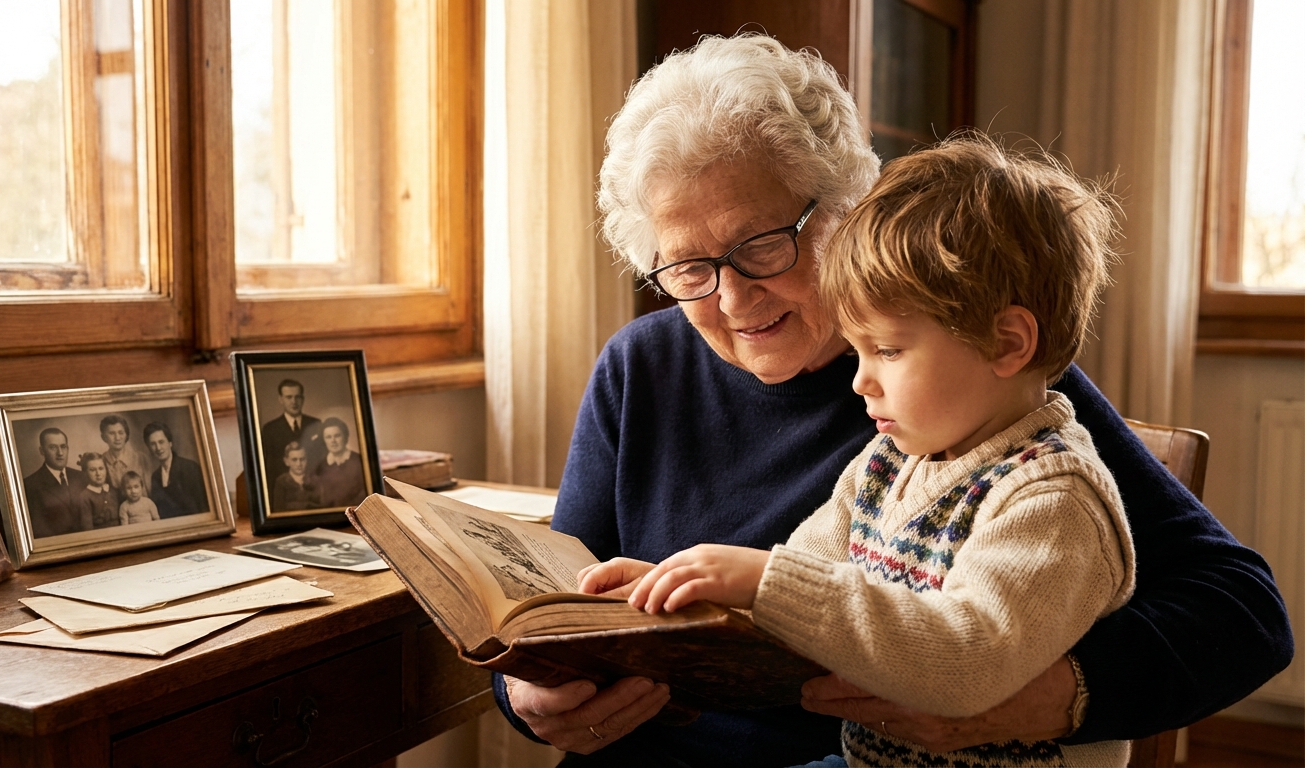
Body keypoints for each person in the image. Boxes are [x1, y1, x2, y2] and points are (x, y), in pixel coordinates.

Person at [493, 35, 1293, 767]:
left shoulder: (975, 384)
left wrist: (1035, 702)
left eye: (761, 245)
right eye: (689, 268)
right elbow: (553, 605)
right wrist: (526, 693)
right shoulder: (640, 367)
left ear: (848, 206)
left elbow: (1243, 613)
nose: (732, 298)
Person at [582, 135, 1137, 766]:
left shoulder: (1054, 499)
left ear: (1008, 343)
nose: (859, 380)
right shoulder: (888, 463)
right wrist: (671, 603)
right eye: (858, 348)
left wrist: (764, 581)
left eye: (888, 351)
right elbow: (796, 587)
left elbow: (967, 659)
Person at [21, 428, 87, 538]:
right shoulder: (29, 485)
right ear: (42, 451)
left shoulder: (82, 477)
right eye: (53, 447)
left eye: (63, 447)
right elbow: (38, 530)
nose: (60, 453)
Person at [260, 380, 323, 487]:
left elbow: (321, 460)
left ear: (303, 399)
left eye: (297, 397)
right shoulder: (270, 429)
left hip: (313, 487)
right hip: (284, 489)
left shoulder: (316, 424)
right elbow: (269, 468)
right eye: (289, 397)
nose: (294, 402)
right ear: (281, 399)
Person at [144, 422, 210, 518]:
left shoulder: (190, 468)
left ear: (170, 443)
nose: (158, 448)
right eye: (153, 444)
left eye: (161, 442)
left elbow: (203, 506)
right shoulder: (155, 476)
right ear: (149, 448)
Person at [310, 417, 367, 508]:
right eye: (328, 437)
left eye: (337, 436)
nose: (333, 441)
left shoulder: (360, 461)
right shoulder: (319, 467)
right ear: (324, 440)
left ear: (345, 437)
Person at [100, 414, 154, 496]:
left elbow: (151, 491)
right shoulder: (101, 461)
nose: (117, 438)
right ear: (104, 437)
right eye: (112, 433)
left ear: (126, 435)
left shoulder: (141, 458)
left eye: (121, 433)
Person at [272, 441, 321, 512]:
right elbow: (278, 509)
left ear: (307, 460)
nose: (299, 464)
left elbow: (322, 507)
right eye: (294, 460)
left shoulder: (315, 480)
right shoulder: (281, 482)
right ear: (286, 461)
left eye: (302, 459)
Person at [76, 452, 115, 529]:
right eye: (93, 470)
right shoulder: (84, 497)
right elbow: (87, 528)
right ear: (85, 472)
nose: (98, 473)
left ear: (106, 470)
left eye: (101, 468)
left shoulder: (113, 491)